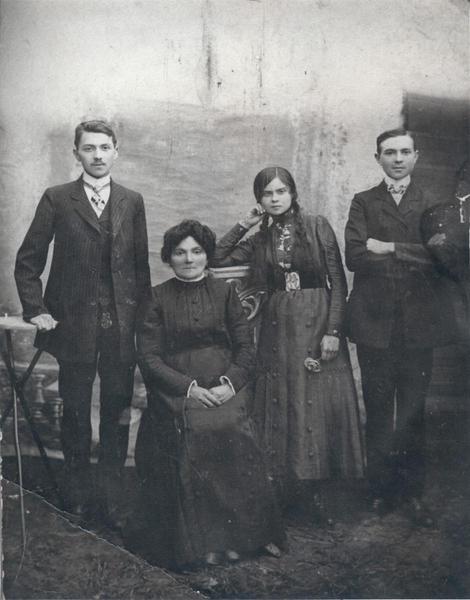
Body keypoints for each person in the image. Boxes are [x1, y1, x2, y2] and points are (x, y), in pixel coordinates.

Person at [14, 120, 151, 524]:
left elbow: (140, 269)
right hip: (72, 326)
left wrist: (143, 322)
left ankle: (109, 497)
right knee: (74, 411)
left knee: (116, 410)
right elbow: (28, 261)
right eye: (88, 148)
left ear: (116, 151)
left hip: (121, 328)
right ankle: (75, 494)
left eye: (104, 148)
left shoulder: (132, 200)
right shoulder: (57, 199)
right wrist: (35, 308)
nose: (97, 155)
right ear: (76, 153)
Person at [127, 220, 284, 569]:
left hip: (225, 384)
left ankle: (247, 538)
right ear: (169, 257)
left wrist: (229, 383)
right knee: (198, 431)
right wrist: (189, 389)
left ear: (206, 255)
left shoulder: (225, 292)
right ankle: (206, 543)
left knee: (232, 427)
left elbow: (246, 347)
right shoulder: (157, 296)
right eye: (180, 252)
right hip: (179, 388)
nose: (189, 258)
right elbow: (149, 357)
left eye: (196, 251)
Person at [211, 167, 364, 522]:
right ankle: (289, 495)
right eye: (267, 194)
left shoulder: (316, 225)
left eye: (281, 191)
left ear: (293, 193)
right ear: (260, 201)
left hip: (317, 320)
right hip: (278, 327)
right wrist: (243, 224)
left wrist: (334, 331)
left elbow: (338, 282)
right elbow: (217, 257)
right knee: (285, 403)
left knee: (317, 405)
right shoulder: (259, 239)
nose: (275, 198)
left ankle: (322, 499)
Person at [345, 128, 441, 526]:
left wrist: (388, 248)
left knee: (414, 413)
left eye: (405, 152)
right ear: (377, 157)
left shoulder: (434, 204)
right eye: (389, 152)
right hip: (375, 326)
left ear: (416, 157)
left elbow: (445, 256)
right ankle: (380, 491)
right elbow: (354, 255)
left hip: (419, 326)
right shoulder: (364, 202)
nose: (398, 159)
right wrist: (415, 255)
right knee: (381, 411)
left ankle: (412, 493)